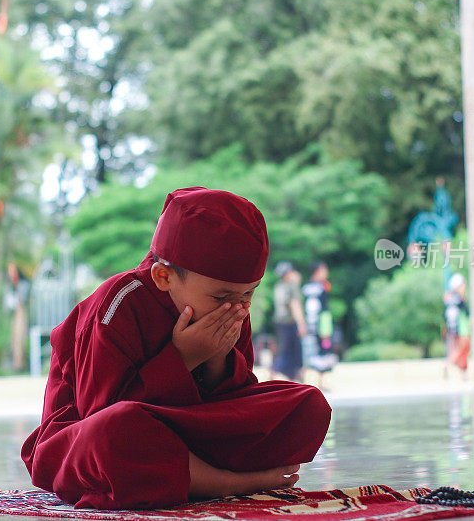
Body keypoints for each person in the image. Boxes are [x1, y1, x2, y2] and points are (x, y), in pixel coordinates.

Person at [21, 187, 331, 510]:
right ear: (164, 276)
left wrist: (217, 361)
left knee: (310, 405)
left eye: (248, 295)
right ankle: (232, 483)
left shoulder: (233, 309)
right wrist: (182, 358)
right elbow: (99, 414)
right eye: (222, 298)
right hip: (95, 441)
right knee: (118, 432)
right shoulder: (118, 306)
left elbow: (235, 401)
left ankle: (191, 476)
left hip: (189, 434)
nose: (238, 308)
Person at [271, 261, 308, 381]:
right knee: (293, 350)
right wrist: (302, 324)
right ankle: (276, 372)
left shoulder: (279, 286)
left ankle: (287, 375)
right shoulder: (291, 287)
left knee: (285, 347)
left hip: (280, 323)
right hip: (290, 323)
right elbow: (294, 305)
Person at [301, 261, 338, 373]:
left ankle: (321, 379)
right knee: (320, 348)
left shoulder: (306, 287)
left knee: (321, 348)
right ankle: (319, 378)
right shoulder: (322, 286)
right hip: (320, 321)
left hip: (314, 321)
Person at [443, 273, 471, 374]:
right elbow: (467, 316)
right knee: (462, 350)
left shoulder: (450, 301)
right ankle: (450, 364)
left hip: (454, 330)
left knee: (462, 351)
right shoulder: (459, 301)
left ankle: (463, 372)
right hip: (461, 330)